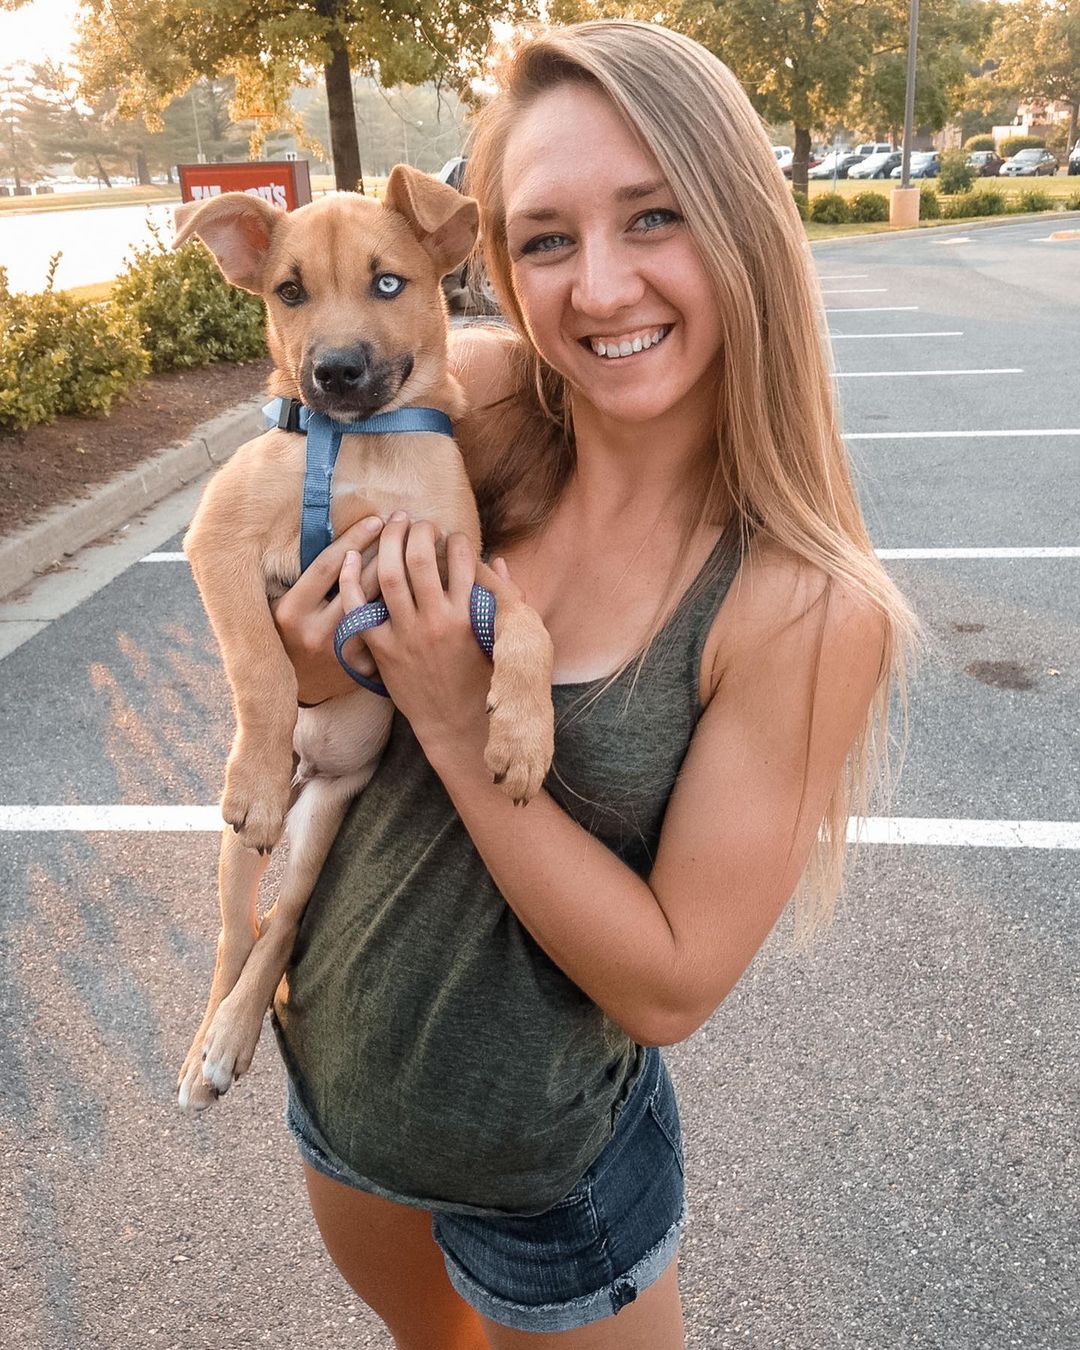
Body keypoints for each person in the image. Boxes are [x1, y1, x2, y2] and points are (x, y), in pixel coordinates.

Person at [269, 19, 917, 1348]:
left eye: (655, 216)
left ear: (743, 222)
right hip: (343, 1101)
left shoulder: (802, 600)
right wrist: (302, 664)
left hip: (548, 1188)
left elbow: (672, 982)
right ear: (497, 263)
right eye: (549, 238)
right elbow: (282, 603)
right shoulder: (478, 415)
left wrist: (459, 722)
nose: (603, 287)